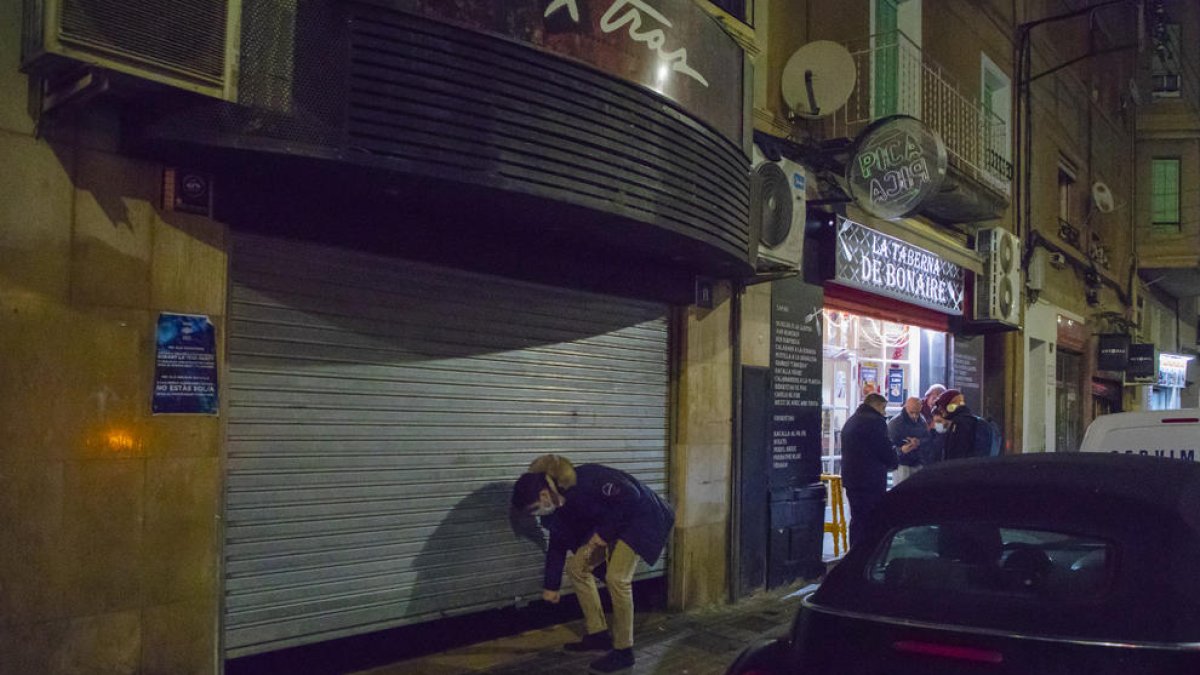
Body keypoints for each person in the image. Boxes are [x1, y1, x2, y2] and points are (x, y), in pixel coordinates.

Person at [511, 454, 674, 674]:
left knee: (617, 578)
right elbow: (557, 544)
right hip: (613, 526)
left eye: (534, 509)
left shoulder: (587, 479)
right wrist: (551, 585)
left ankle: (624, 651)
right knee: (577, 569)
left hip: (642, 518)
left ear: (543, 494)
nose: (535, 515)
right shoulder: (556, 510)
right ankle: (598, 635)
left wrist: (604, 533)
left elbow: (631, 496)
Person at [840, 393, 897, 548]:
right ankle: (868, 553)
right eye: (883, 408)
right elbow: (884, 448)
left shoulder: (852, 420)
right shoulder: (875, 422)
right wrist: (894, 461)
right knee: (872, 520)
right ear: (877, 405)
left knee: (857, 519)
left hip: (852, 479)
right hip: (871, 480)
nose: (884, 412)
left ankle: (855, 552)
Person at [932, 389, 991, 461]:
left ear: (950, 407)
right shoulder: (970, 420)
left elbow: (957, 453)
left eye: (942, 408)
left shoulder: (959, 424)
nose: (941, 412)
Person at [888, 397, 929, 484]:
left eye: (917, 413)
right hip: (902, 465)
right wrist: (901, 450)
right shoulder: (895, 423)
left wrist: (919, 442)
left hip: (918, 462)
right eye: (911, 412)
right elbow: (888, 446)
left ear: (921, 408)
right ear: (906, 407)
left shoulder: (922, 420)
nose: (914, 416)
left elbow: (928, 438)